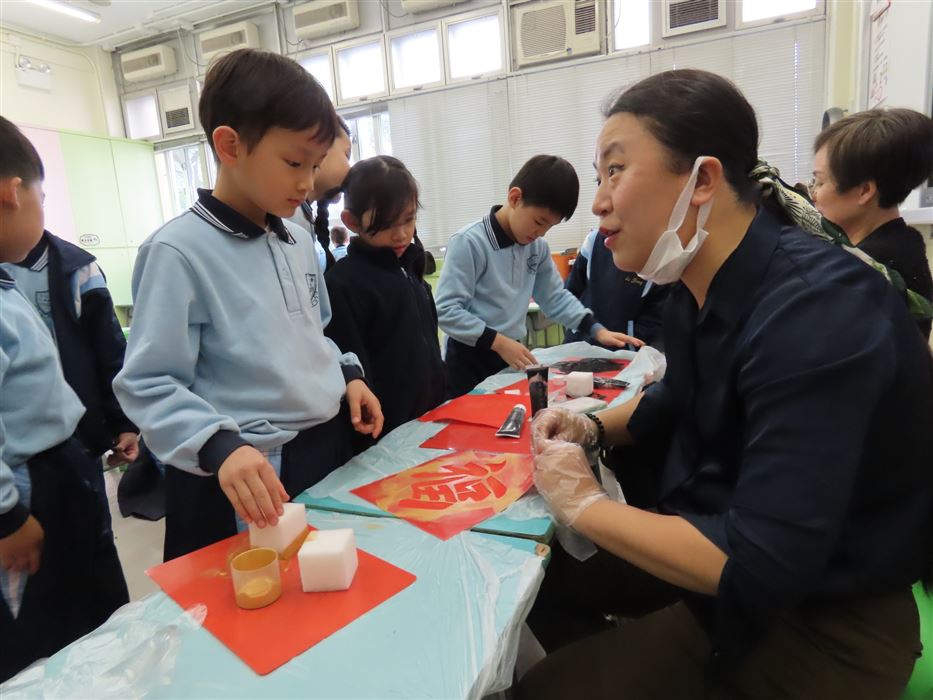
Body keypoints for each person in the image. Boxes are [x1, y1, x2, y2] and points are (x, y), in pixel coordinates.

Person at [518, 69, 933, 699]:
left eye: (615, 171)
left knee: (547, 689)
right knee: (543, 583)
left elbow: (760, 557)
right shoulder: (698, 287)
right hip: (726, 558)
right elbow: (676, 399)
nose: (598, 202)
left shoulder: (818, 311)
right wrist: (592, 425)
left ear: (703, 179)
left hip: (822, 622)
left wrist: (586, 506)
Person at [113, 49, 383, 561]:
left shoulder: (297, 240)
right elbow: (148, 383)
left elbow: (317, 332)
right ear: (230, 145)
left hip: (323, 447)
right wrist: (219, 446)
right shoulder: (177, 252)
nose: (308, 182)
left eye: (315, 165)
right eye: (294, 163)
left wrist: (348, 375)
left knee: (335, 587)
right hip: (249, 468)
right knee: (264, 600)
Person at [0, 116, 129, 682]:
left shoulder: (17, 281)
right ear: (13, 192)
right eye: (43, 197)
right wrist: (7, 516)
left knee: (92, 601)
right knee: (44, 634)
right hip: (25, 489)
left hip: (63, 465)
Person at [435, 155, 643, 398]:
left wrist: (595, 329)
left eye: (549, 226)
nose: (541, 233)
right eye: (539, 221)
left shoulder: (537, 248)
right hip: (469, 356)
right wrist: (498, 342)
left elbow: (555, 297)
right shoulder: (469, 243)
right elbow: (446, 310)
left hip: (510, 352)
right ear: (515, 198)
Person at [0, 230, 140, 497]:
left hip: (77, 439)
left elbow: (108, 351)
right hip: (14, 453)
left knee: (83, 514)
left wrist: (123, 423)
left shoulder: (76, 268)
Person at [324, 156, 445, 442]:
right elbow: (353, 373)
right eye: (386, 224)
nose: (401, 234)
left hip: (430, 421)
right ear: (351, 221)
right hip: (384, 435)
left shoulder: (409, 268)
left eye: (409, 219)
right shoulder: (343, 283)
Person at [810, 107, 933, 339]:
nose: (813, 194)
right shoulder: (897, 244)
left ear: (865, 191)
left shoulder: (873, 269)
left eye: (819, 182)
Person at [563, 227, 670, 349]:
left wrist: (631, 345)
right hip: (580, 341)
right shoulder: (594, 240)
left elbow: (655, 316)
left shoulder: (661, 251)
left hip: (625, 348)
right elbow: (571, 290)